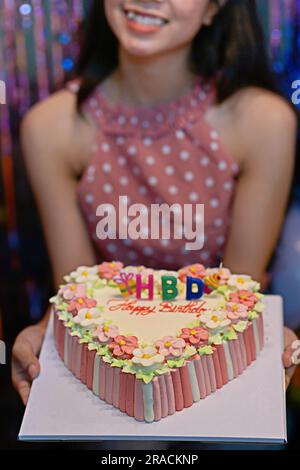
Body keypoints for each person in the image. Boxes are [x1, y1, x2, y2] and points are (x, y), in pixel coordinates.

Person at [12, 0, 298, 406]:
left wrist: (261, 331)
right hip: (115, 357)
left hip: (216, 349)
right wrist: (49, 330)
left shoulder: (262, 122)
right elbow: (77, 294)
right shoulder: (51, 128)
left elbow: (238, 292)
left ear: (214, 9)